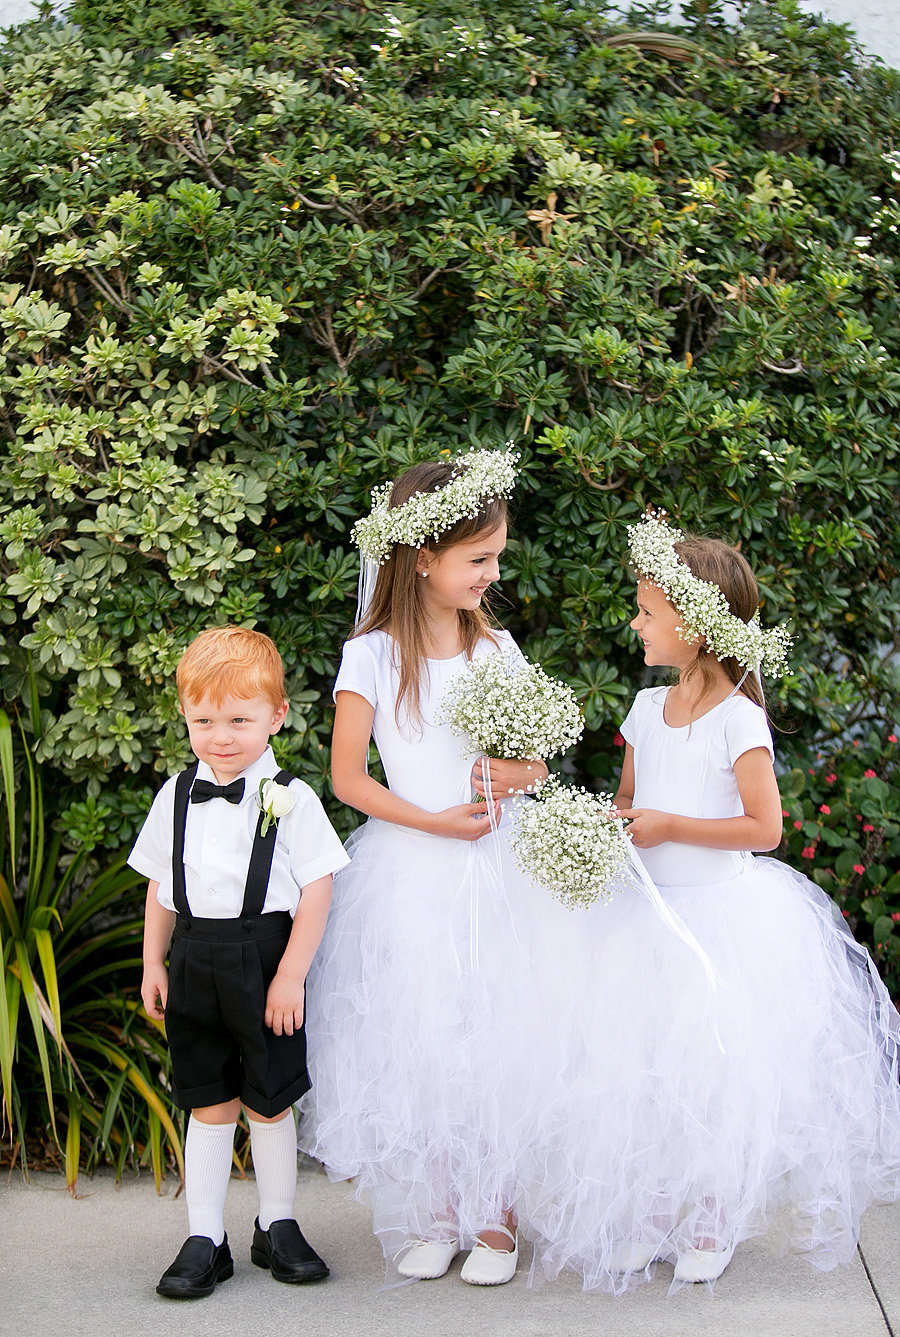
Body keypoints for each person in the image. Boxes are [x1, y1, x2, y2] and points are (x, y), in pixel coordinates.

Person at [526, 511, 900, 1292]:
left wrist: (670, 823)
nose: (636, 622)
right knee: (646, 1070)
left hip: (721, 926)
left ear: (694, 627)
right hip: (644, 920)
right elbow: (631, 802)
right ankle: (655, 1210)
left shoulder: (740, 719)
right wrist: (604, 826)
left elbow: (764, 828)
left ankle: (711, 1215)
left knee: (713, 1075)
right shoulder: (641, 709)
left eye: (648, 611)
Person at [299, 449, 587, 1287]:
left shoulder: (495, 646)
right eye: (478, 559)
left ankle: (494, 1216)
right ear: (422, 557)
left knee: (493, 1032)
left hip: (499, 875)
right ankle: (433, 1208)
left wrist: (516, 775)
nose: (492, 573)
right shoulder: (374, 656)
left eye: (495, 557)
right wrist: (429, 818)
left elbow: (537, 761)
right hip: (412, 873)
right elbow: (347, 776)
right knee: (418, 1035)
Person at [130, 626, 350, 1300]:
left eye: (239, 719)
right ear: (185, 717)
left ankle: (276, 1223)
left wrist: (290, 974)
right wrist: (153, 963)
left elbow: (319, 887)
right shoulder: (174, 795)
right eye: (204, 719)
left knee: (270, 1102)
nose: (220, 734)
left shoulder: (294, 797)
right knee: (209, 1101)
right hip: (196, 958)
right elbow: (161, 886)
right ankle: (205, 1236)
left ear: (277, 715)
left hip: (265, 960)